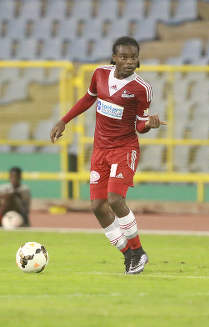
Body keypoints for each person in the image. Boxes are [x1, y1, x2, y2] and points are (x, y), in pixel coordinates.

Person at [50, 36, 165, 274]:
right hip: (100, 150)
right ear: (114, 57)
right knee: (97, 206)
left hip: (124, 149)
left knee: (114, 199)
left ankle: (138, 251)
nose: (129, 61)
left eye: (133, 57)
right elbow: (88, 98)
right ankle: (128, 254)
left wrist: (150, 125)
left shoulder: (141, 89)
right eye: (124, 57)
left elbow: (140, 126)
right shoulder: (100, 74)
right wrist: (64, 120)